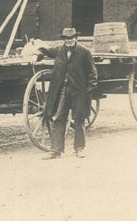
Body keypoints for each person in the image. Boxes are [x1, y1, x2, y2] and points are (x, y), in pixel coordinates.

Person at [35, 27, 98, 159]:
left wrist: (88, 91)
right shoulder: (59, 50)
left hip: (79, 91)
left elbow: (93, 73)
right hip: (62, 90)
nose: (69, 41)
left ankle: (79, 149)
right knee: (58, 118)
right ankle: (56, 150)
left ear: (76, 38)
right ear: (63, 40)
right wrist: (37, 54)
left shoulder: (84, 52)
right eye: (66, 38)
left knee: (79, 120)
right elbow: (45, 50)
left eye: (71, 38)